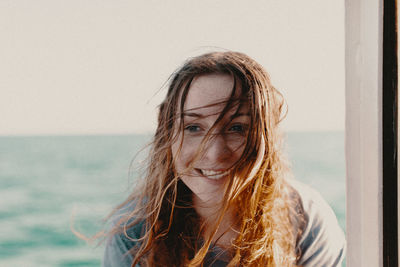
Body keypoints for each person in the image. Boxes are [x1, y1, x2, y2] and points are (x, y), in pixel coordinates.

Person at [102, 51, 346, 266]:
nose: (215, 152)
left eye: (237, 128)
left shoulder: (306, 220)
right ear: (167, 135)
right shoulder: (134, 233)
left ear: (267, 137)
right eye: (194, 128)